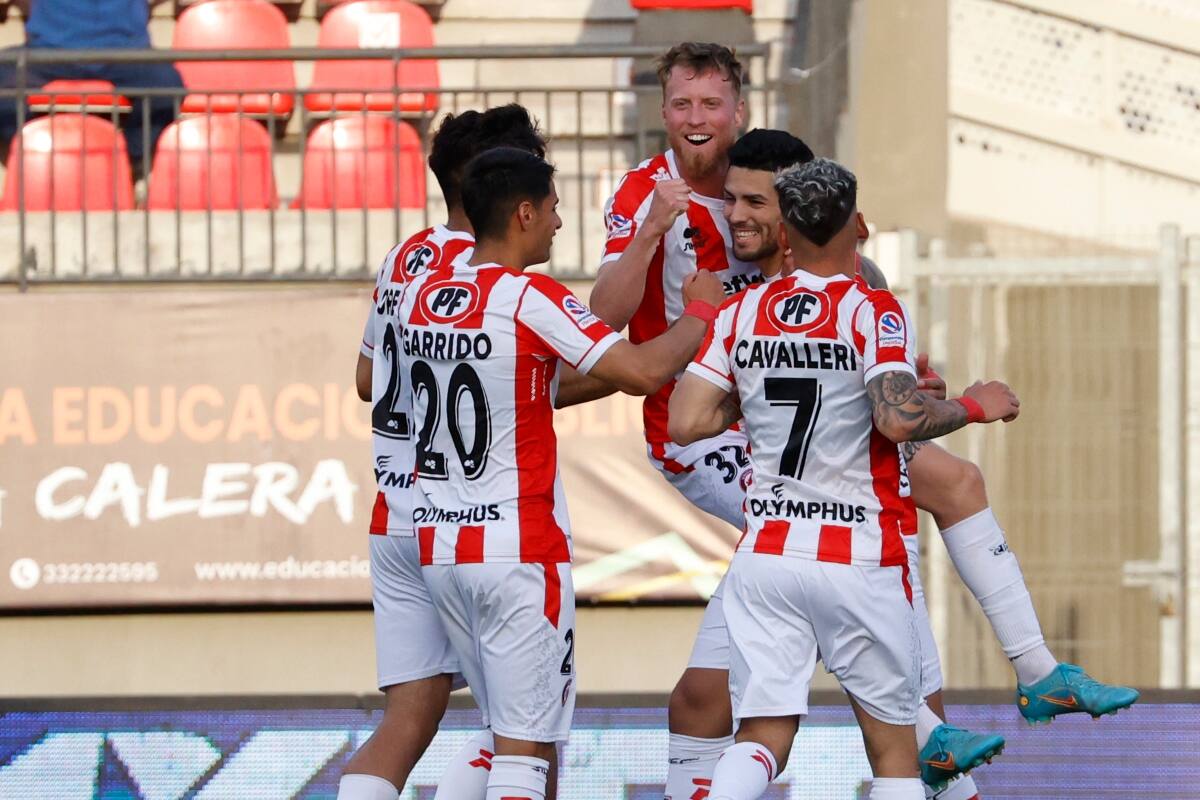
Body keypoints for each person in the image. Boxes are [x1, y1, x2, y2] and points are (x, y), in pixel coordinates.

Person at [667, 157, 1022, 800]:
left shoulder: (741, 312)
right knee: (895, 754)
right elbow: (898, 419)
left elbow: (686, 421)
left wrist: (754, 397)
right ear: (856, 225)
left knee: (760, 738)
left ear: (784, 233)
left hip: (769, 555)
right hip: (857, 555)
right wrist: (974, 405)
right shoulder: (872, 309)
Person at [395, 146, 726, 800]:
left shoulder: (420, 298)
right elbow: (642, 372)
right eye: (551, 209)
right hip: (518, 553)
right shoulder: (529, 298)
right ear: (523, 214)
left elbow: (544, 385)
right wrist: (701, 315)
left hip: (441, 547)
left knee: (500, 735)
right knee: (526, 754)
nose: (558, 222)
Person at [342, 105, 551, 800]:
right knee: (524, 729)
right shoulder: (491, 273)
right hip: (478, 521)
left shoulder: (406, 256)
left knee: (408, 718)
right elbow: (564, 374)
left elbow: (368, 380)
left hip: (396, 515)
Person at [0, 0, 184, 171]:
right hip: (48, 50)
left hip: (126, 51)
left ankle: (125, 167)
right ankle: (29, 163)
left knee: (168, 85)